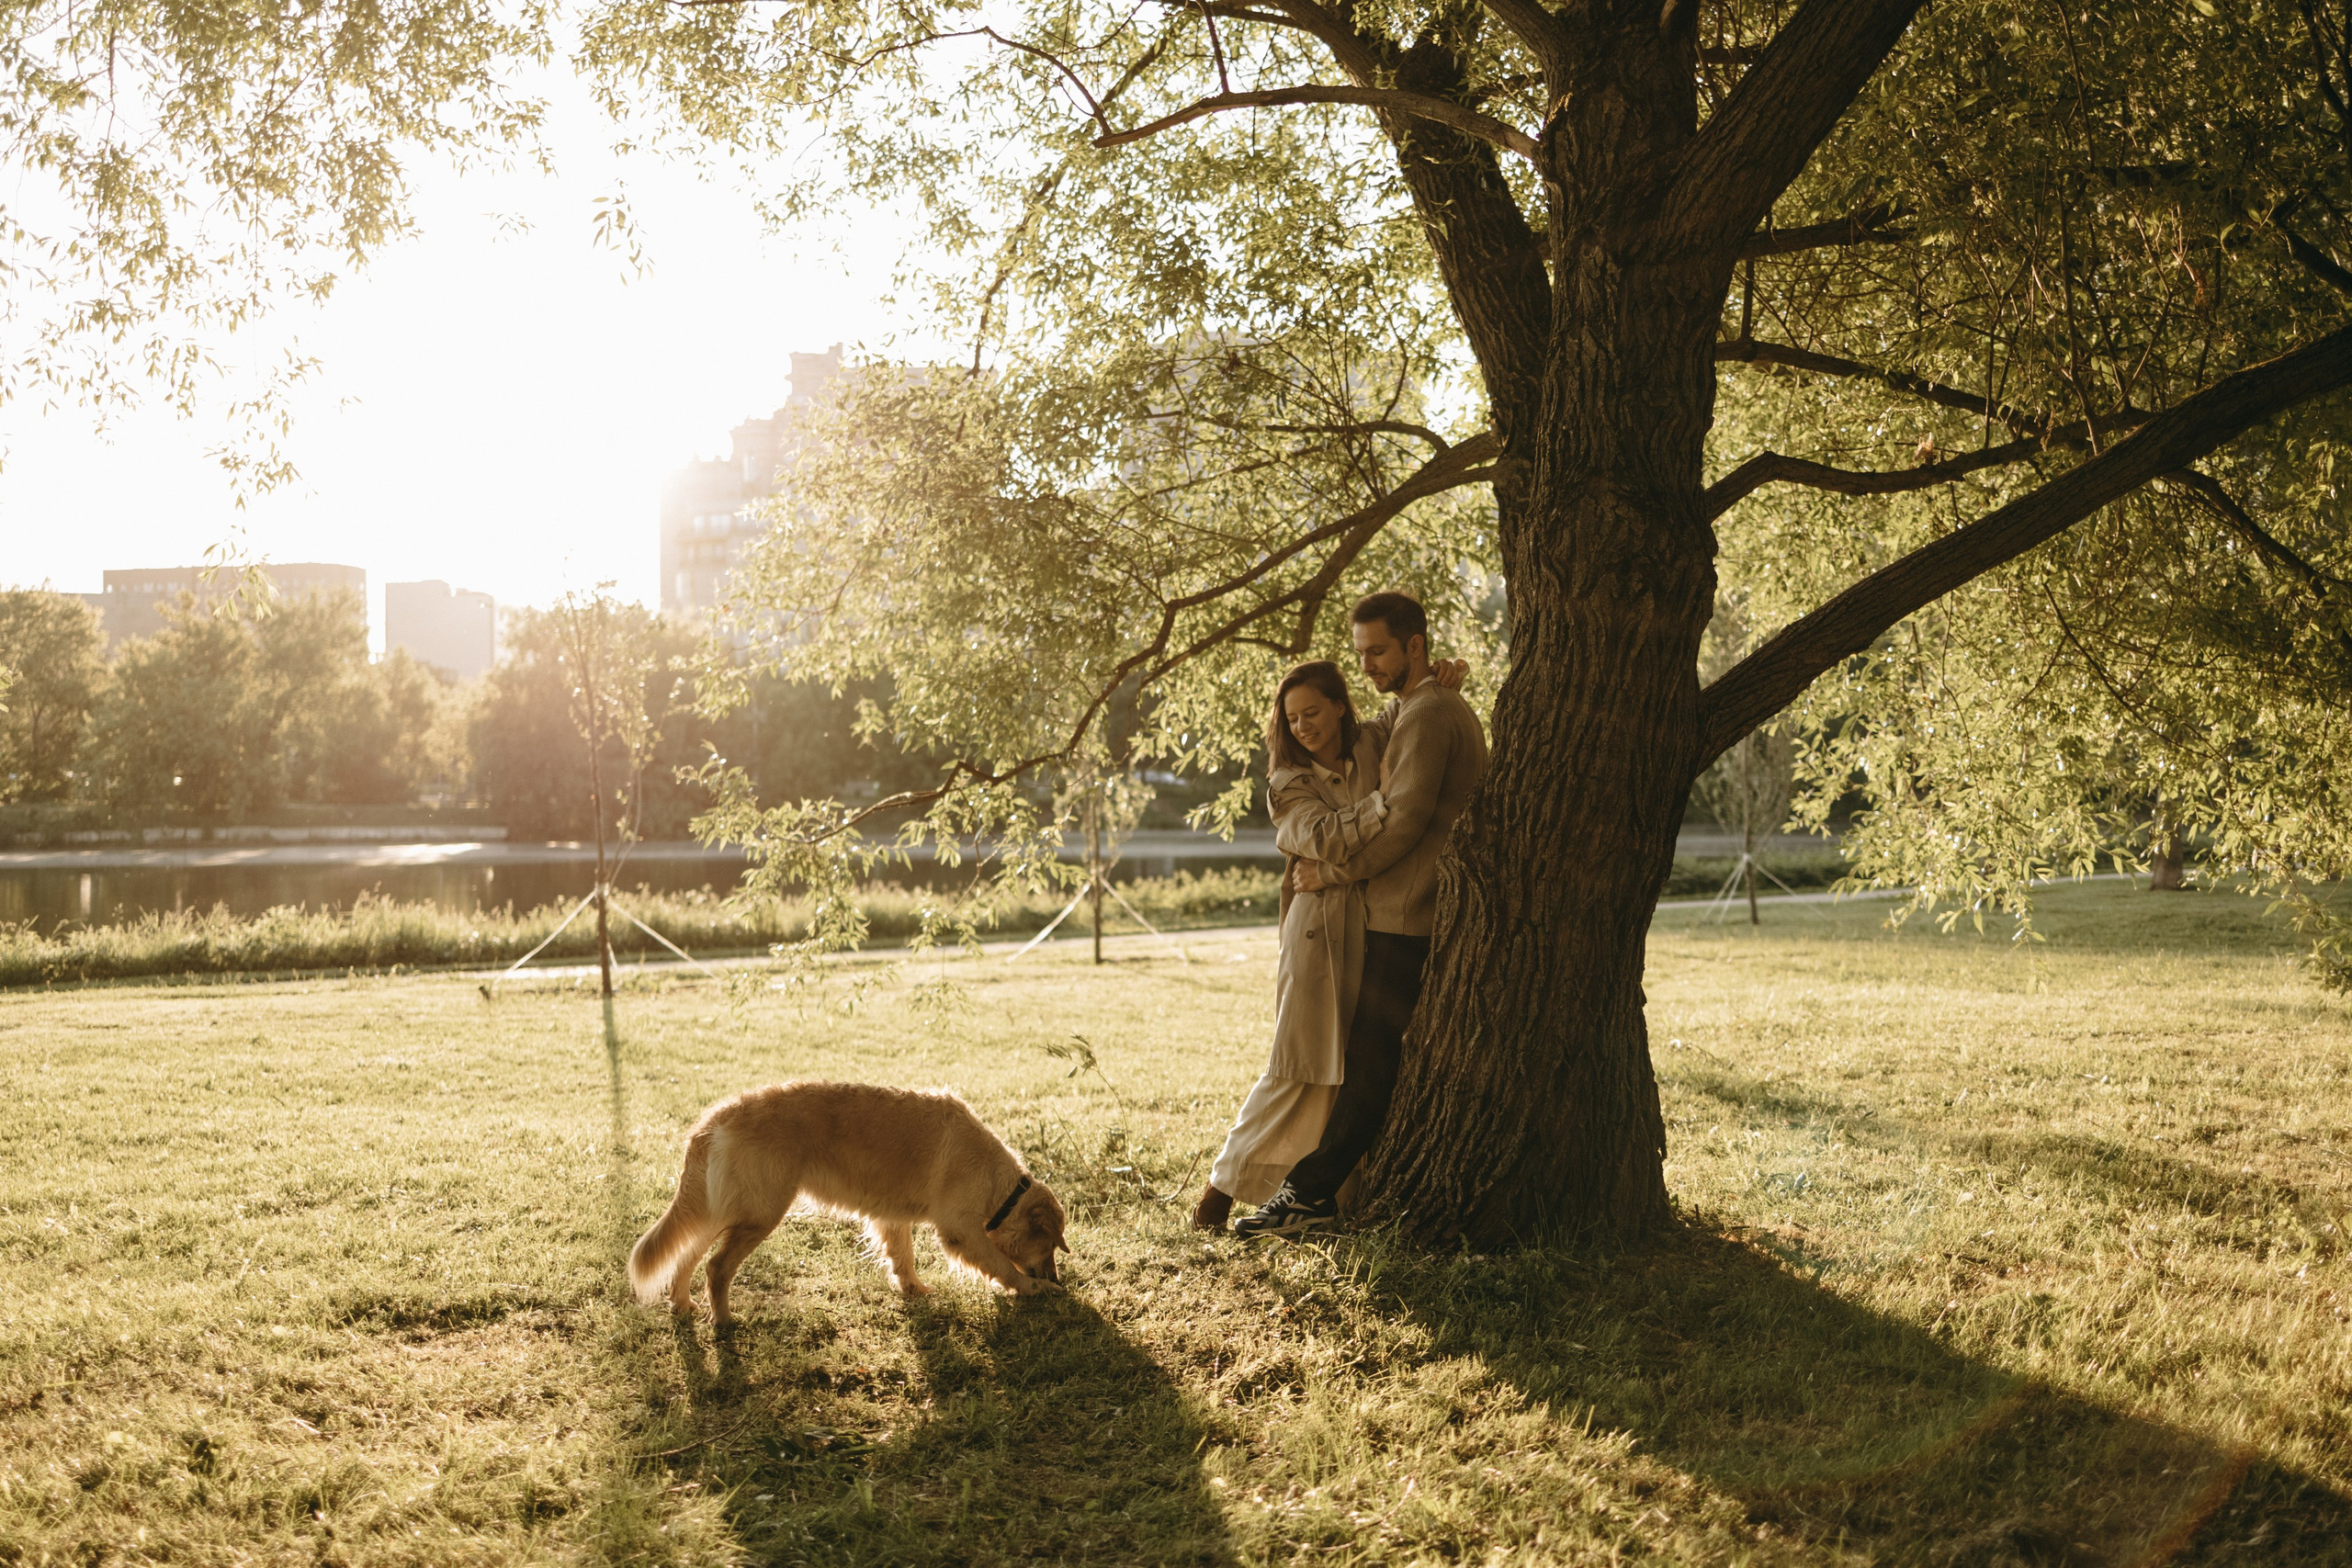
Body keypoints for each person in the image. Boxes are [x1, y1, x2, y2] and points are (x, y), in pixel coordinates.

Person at [1232, 591, 1489, 1240]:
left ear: (1415, 646)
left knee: (1370, 1066)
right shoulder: (1412, 709)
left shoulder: (1428, 713)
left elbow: (1403, 821)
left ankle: (1308, 1194)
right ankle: (1325, 1189)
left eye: (1378, 650)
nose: (1368, 664)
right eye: (1361, 654)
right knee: (1365, 1064)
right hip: (1394, 913)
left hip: (1407, 914)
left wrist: (1334, 871)